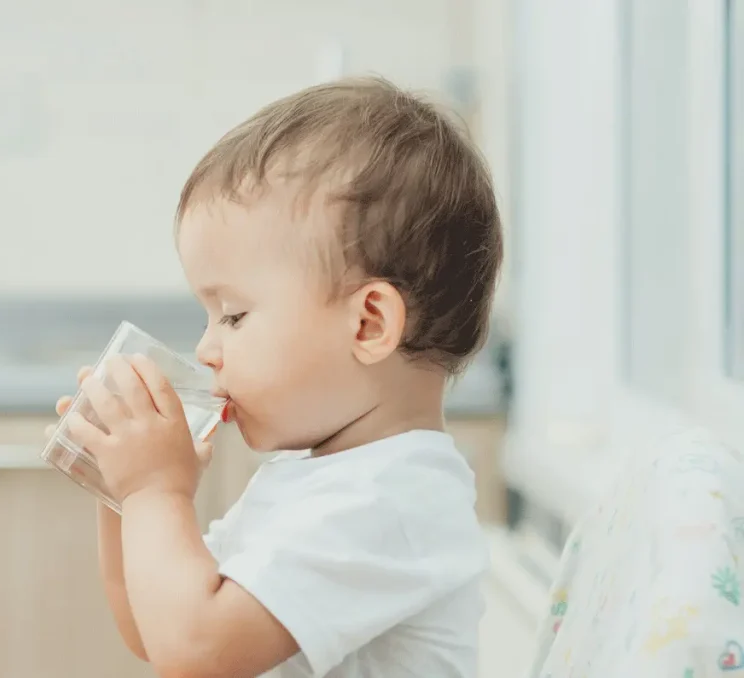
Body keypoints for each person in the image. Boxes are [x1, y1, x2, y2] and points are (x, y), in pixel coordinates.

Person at [54, 75, 504, 678]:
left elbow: (196, 652)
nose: (206, 348)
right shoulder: (315, 483)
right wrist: (120, 489)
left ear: (368, 323)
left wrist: (154, 490)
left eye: (233, 315)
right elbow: (152, 630)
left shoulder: (390, 501)